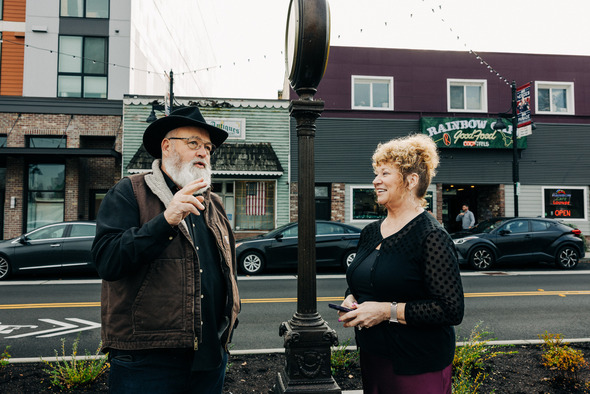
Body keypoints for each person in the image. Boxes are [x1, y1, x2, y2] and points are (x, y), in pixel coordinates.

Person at [91, 106, 240, 394]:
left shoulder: (215, 204)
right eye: (193, 143)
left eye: (208, 147)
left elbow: (225, 270)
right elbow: (107, 261)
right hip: (147, 361)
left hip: (210, 357)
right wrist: (165, 221)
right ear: (167, 146)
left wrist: (228, 324)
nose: (204, 152)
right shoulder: (130, 192)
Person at [337, 134, 464, 394]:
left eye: (385, 173)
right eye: (376, 173)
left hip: (418, 364)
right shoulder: (370, 232)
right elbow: (363, 282)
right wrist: (351, 300)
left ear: (411, 181)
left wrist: (385, 311)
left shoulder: (431, 236)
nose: (376, 180)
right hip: (374, 358)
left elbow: (451, 310)